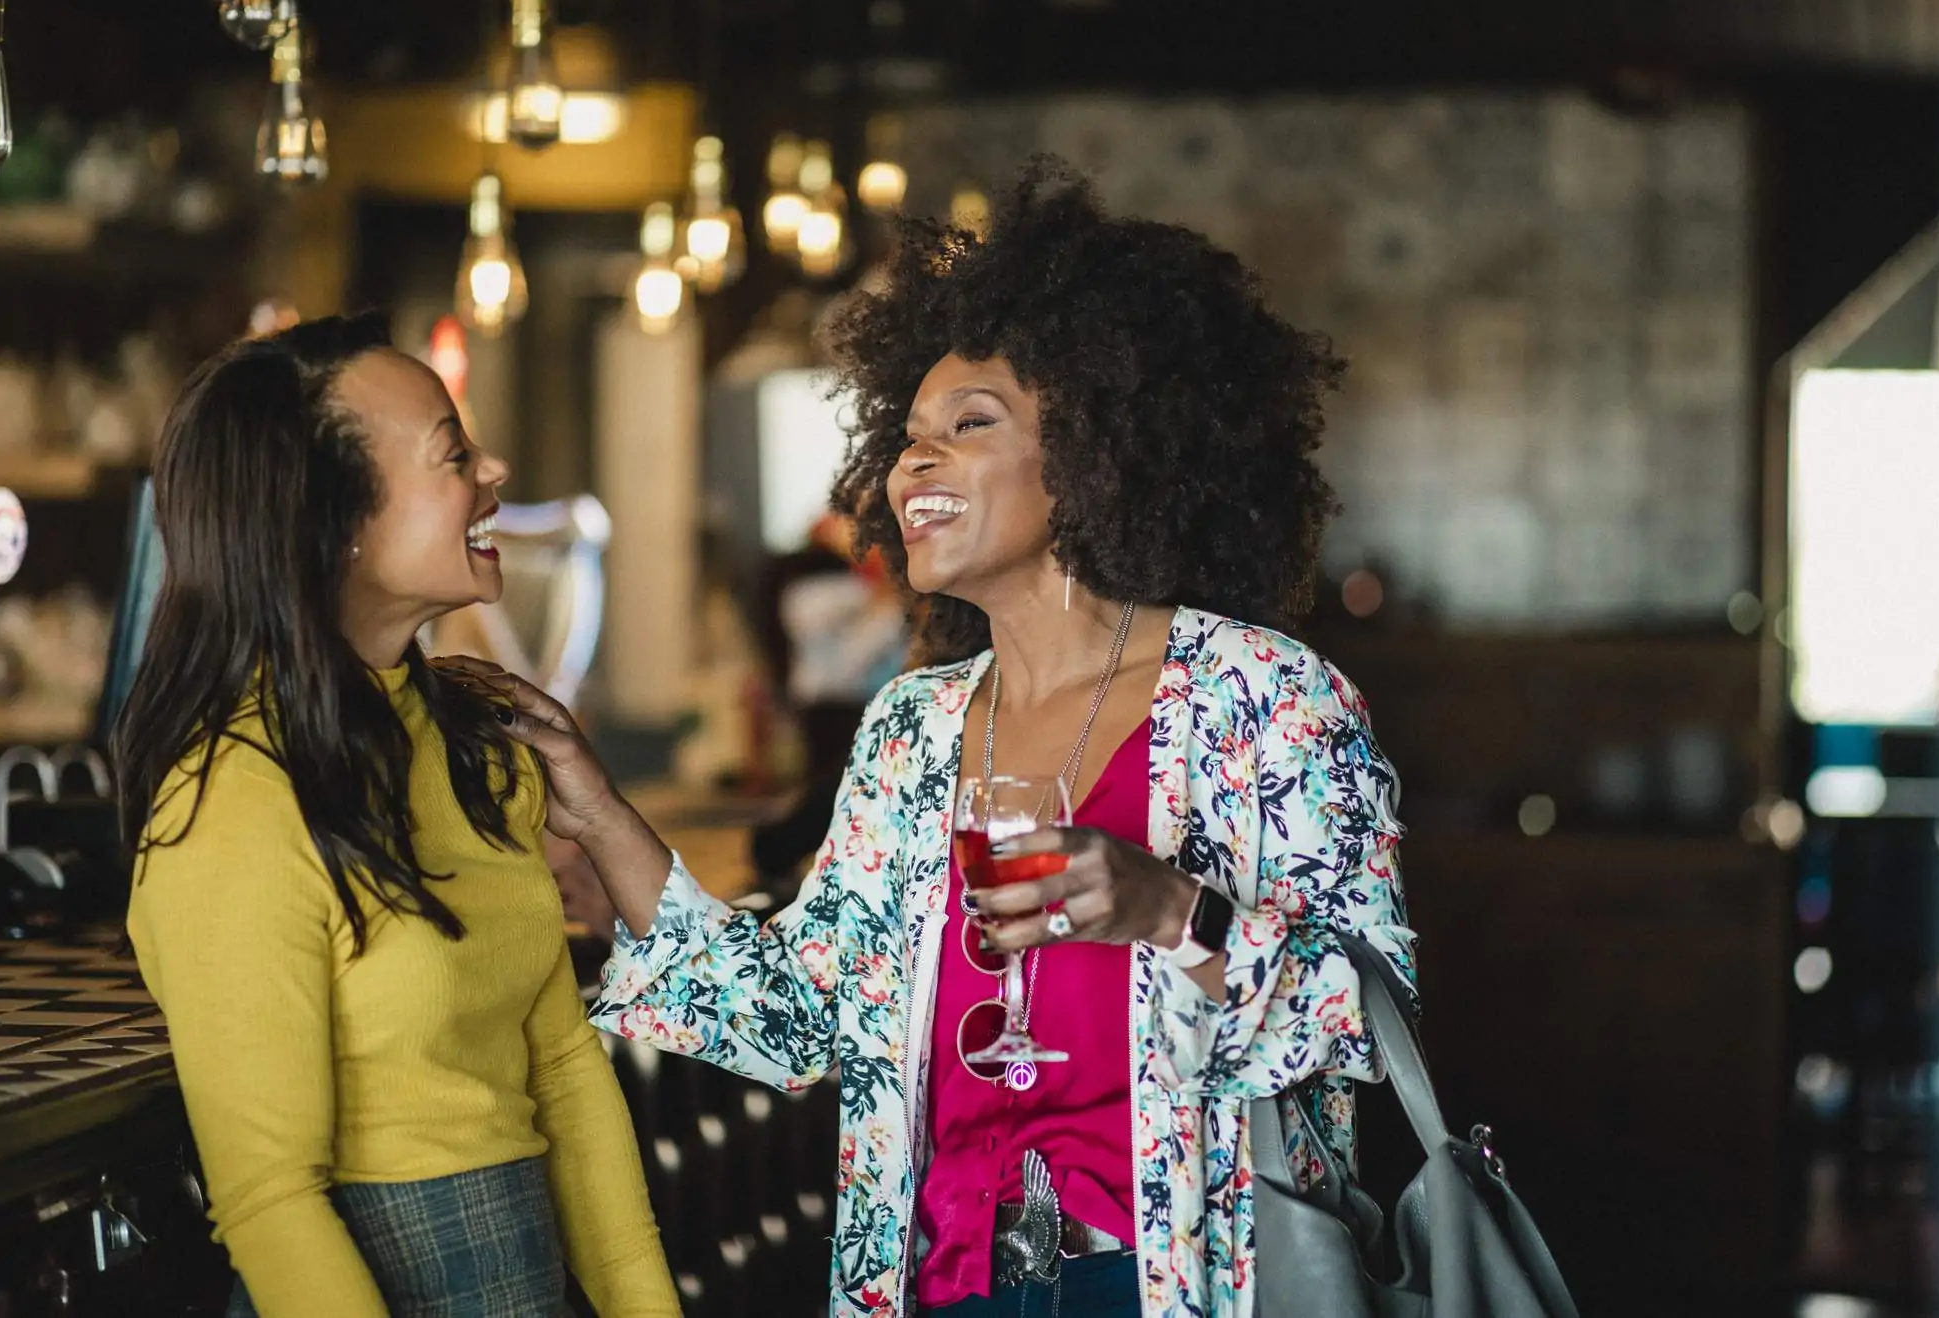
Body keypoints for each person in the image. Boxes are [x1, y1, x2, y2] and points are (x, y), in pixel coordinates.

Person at [472, 162, 1415, 1318]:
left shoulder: (1264, 699)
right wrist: (595, 803)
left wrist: (1169, 912)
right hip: (942, 1284)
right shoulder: (912, 731)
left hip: (1177, 1284)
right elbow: (795, 1013)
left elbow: (1362, 1018)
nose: (912, 464)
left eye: (970, 424)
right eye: (906, 435)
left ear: (1096, 450)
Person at [116, 315, 679, 1317]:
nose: (492, 469)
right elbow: (272, 1198)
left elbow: (559, 1065)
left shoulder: (475, 749)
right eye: (453, 453)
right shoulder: (232, 804)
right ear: (335, 521)